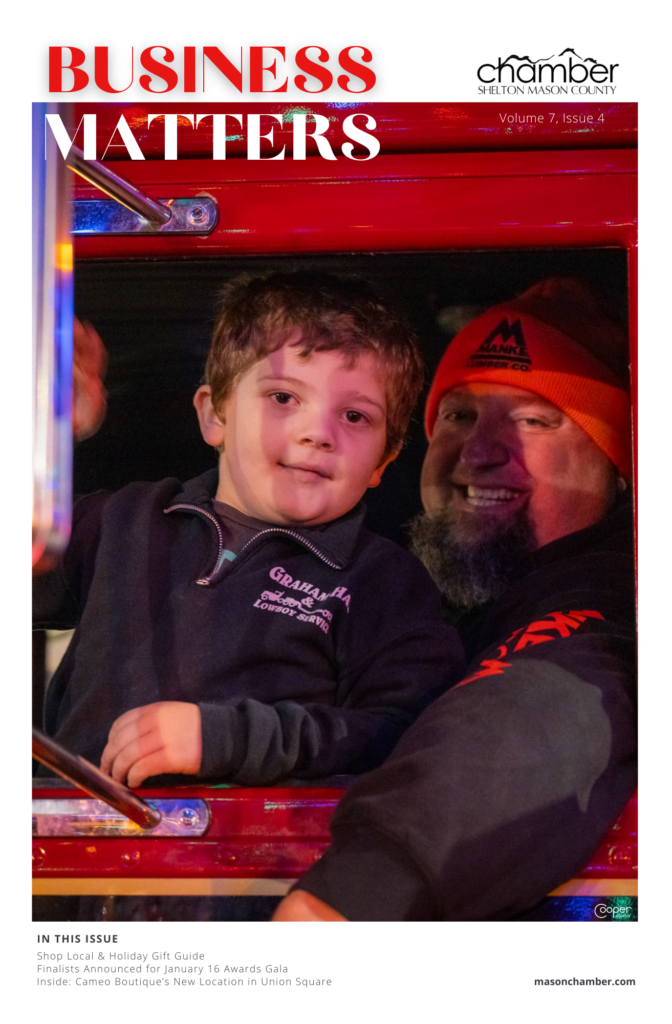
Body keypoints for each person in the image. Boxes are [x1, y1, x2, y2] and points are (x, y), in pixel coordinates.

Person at [273, 277, 637, 921]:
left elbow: (544, 701)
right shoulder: (393, 597)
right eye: (459, 416)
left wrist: (363, 889)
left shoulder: (613, 600)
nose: (478, 451)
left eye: (533, 420)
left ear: (620, 465)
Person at [34, 272, 464, 788]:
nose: (318, 433)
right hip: (77, 835)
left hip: (257, 840)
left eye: (354, 415)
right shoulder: (124, 520)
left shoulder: (384, 582)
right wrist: (42, 432)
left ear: (383, 462)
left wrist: (227, 739)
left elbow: (405, 735)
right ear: (214, 416)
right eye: (283, 397)